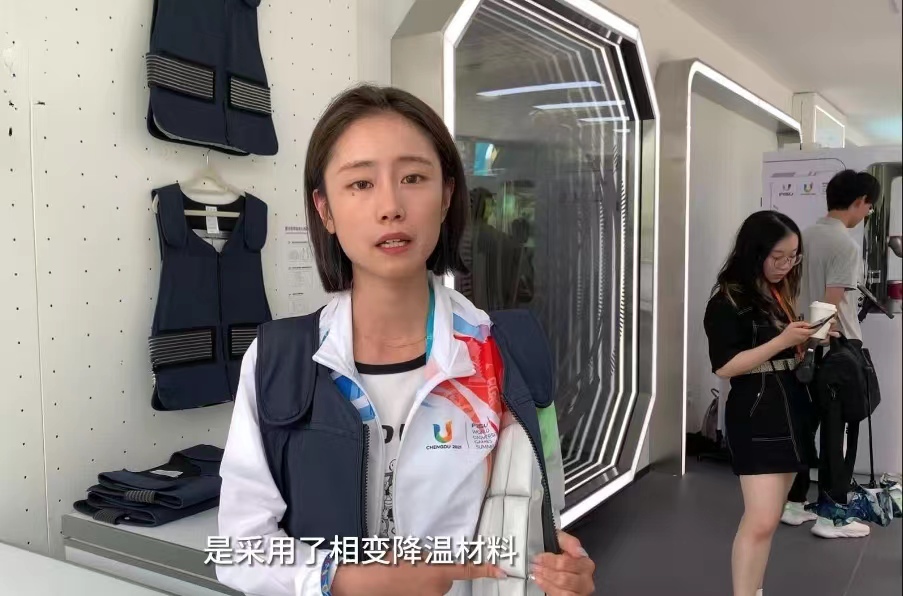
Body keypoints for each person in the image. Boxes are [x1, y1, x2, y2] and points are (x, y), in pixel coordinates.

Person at [215, 85, 595, 596]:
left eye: (413, 178)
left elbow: (541, 521)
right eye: (361, 183)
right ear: (324, 209)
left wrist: (562, 576)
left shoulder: (505, 353)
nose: (391, 206)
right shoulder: (278, 359)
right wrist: (342, 580)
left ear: (446, 195)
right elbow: (238, 548)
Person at [703, 211, 819, 596]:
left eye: (793, 257)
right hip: (757, 411)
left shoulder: (775, 293)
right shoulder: (727, 301)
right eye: (778, 257)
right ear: (755, 253)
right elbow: (725, 366)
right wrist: (783, 341)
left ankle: (754, 590)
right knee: (762, 520)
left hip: (790, 406)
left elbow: (781, 350)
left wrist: (809, 339)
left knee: (768, 520)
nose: (786, 265)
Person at [781, 169, 881, 539]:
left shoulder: (803, 237)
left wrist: (803, 343)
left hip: (800, 342)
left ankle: (794, 503)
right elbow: (831, 302)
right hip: (834, 346)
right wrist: (819, 342)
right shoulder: (845, 245)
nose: (867, 213)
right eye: (869, 206)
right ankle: (832, 516)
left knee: (805, 425)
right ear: (859, 202)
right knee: (841, 430)